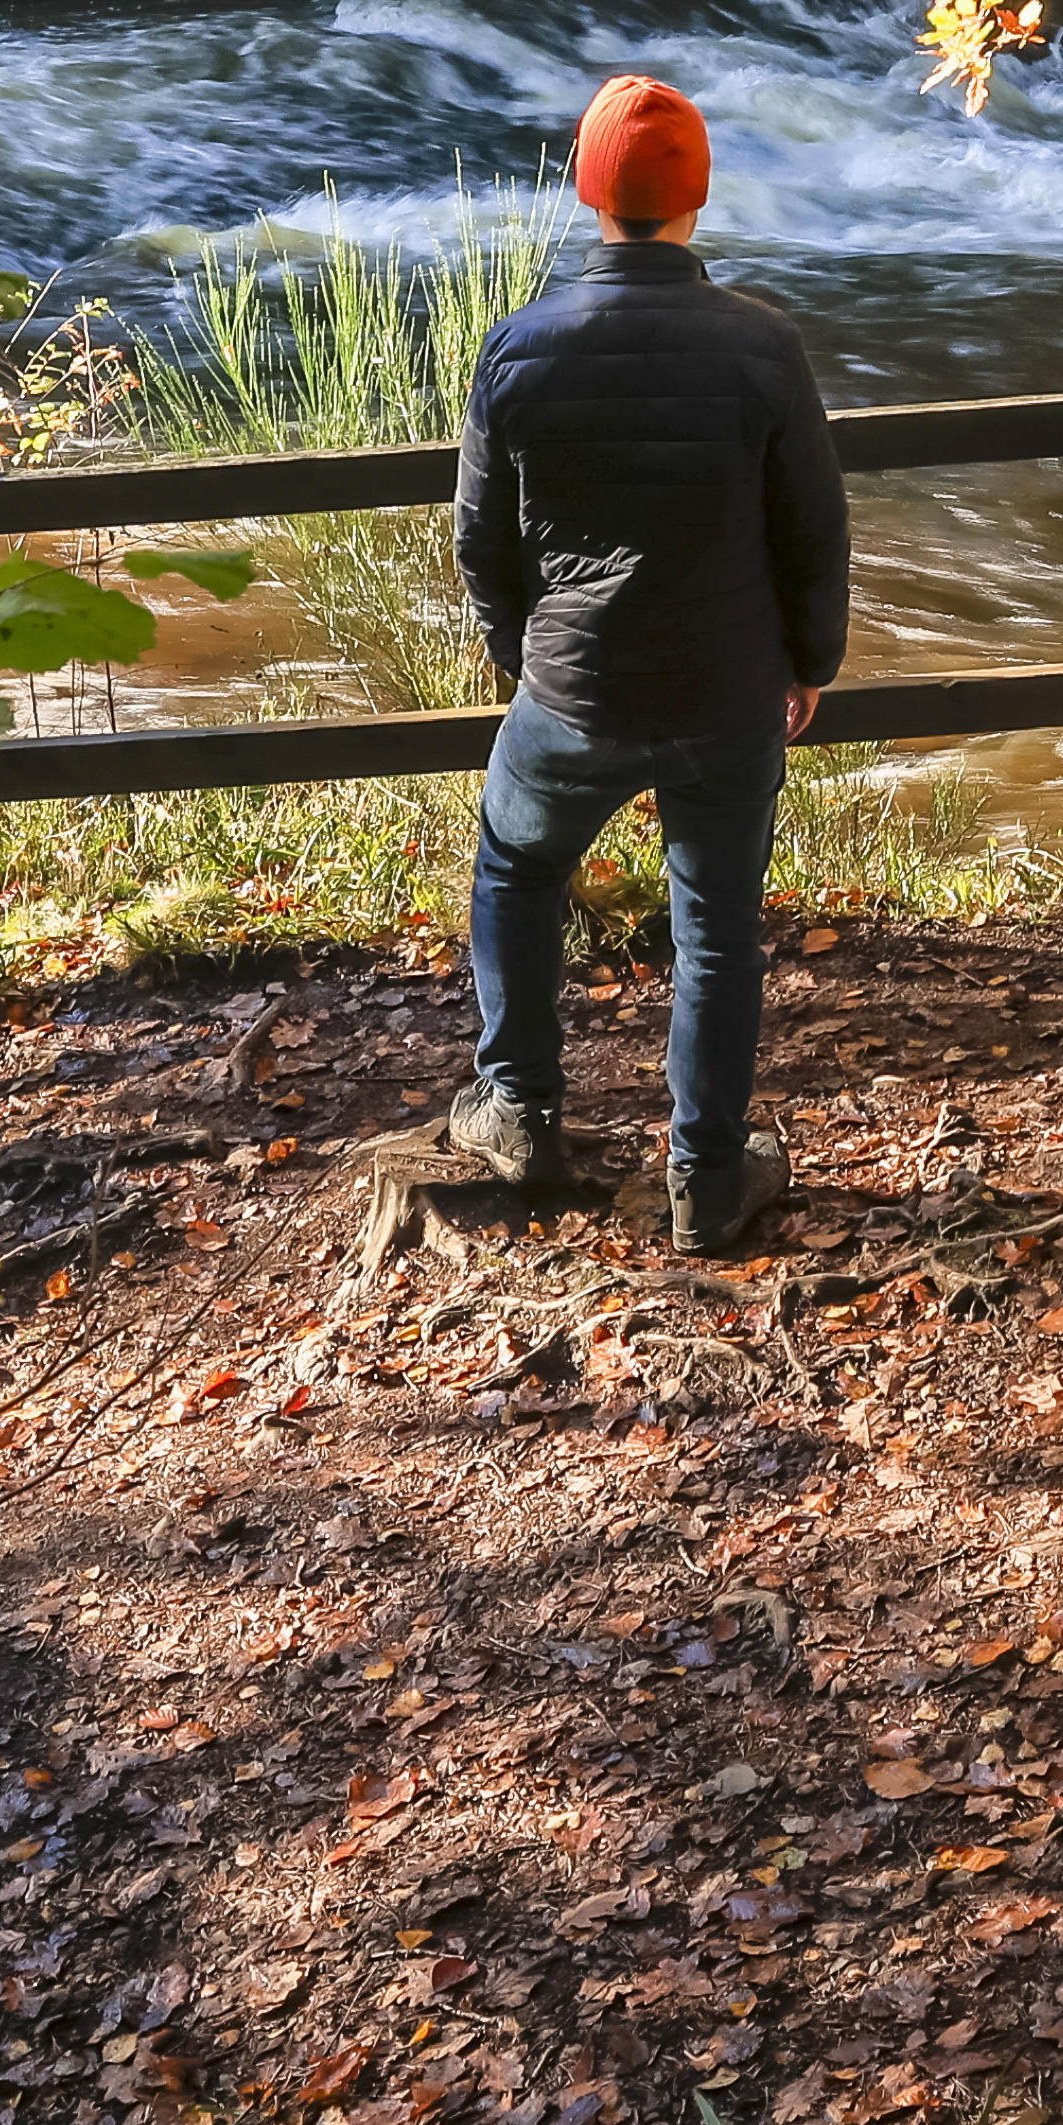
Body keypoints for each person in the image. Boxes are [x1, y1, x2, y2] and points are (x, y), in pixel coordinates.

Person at [443, 69, 848, 1254]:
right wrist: (807, 660)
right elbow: (812, 528)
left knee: (515, 872)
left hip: (572, 688)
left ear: (587, 190)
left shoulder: (517, 348)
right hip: (725, 688)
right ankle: (707, 1177)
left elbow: (481, 539)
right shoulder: (762, 348)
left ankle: (517, 1106)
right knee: (714, 926)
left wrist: (526, 654)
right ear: (696, 198)